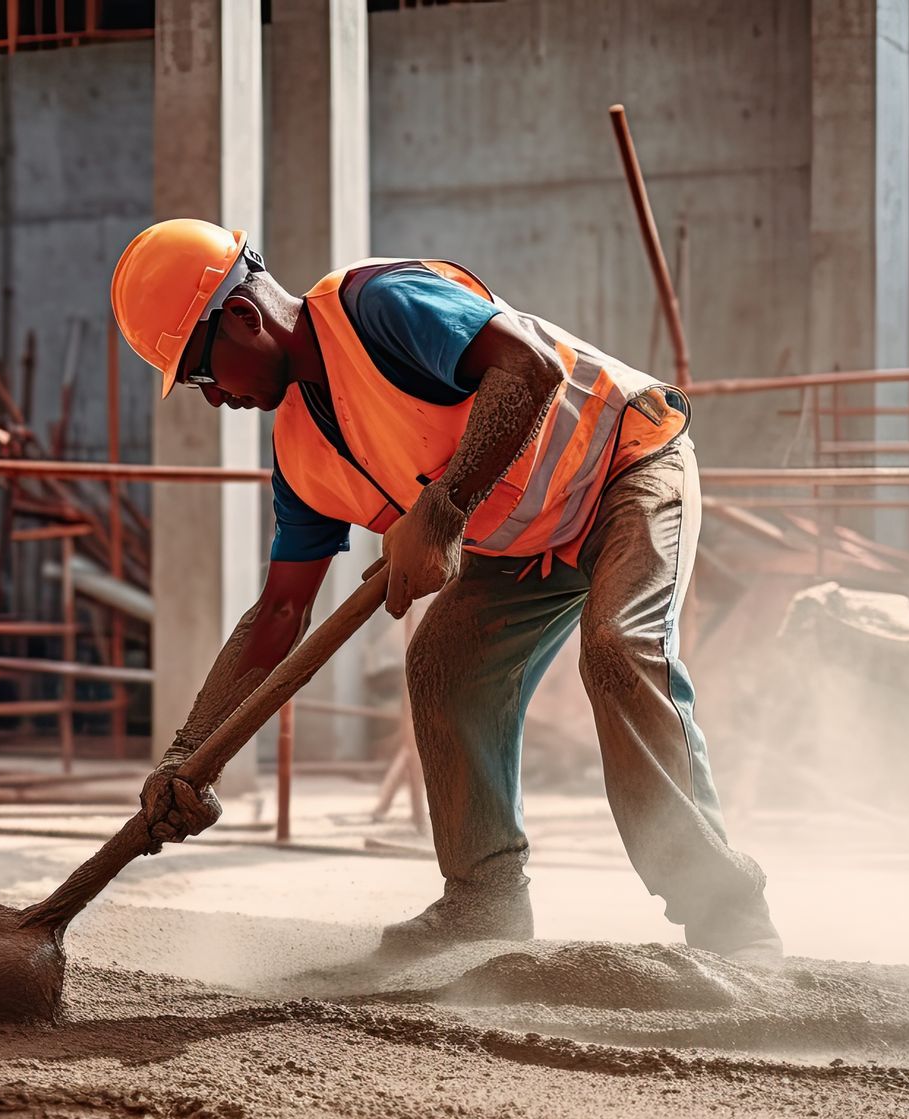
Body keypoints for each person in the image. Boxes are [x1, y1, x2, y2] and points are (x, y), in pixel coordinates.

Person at [111, 219, 780, 964]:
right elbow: (279, 612)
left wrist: (445, 503)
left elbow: (527, 370)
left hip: (624, 463)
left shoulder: (378, 306)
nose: (212, 400)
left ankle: (730, 920)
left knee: (620, 647)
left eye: (204, 375)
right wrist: (187, 754)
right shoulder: (301, 454)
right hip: (523, 541)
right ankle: (484, 902)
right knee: (444, 665)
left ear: (242, 317)